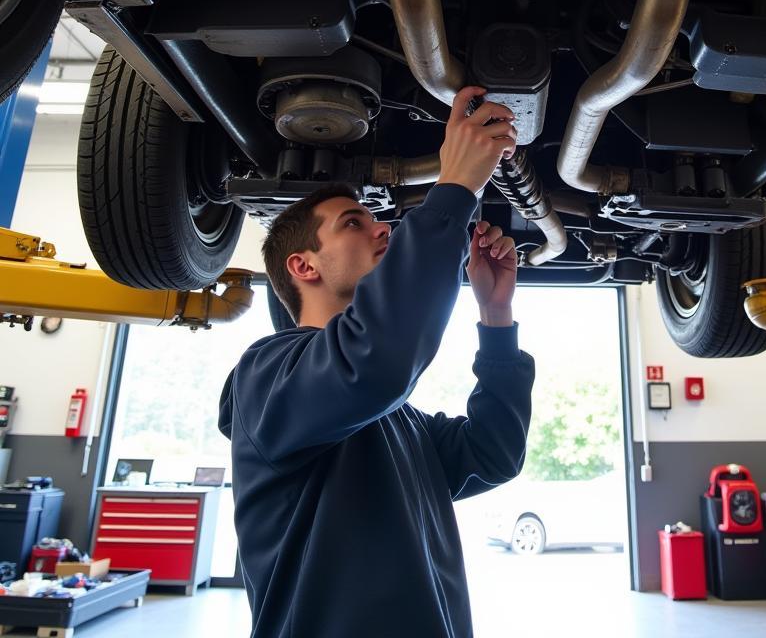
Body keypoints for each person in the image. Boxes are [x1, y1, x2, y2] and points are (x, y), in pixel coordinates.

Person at [219, 86, 535, 638]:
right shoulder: (266, 378)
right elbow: (376, 361)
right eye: (352, 224)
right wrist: (455, 186)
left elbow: (494, 453)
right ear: (304, 266)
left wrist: (496, 315)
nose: (382, 227)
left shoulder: (394, 419)